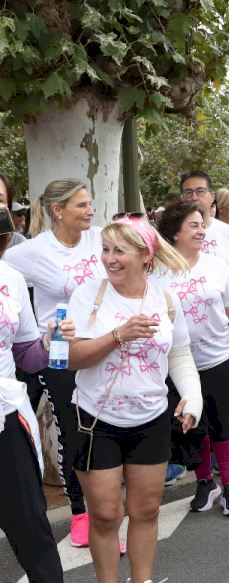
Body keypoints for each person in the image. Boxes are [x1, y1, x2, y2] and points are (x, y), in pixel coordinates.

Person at [67, 215, 202, 583]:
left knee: (145, 509)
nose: (109, 258)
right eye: (105, 249)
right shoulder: (88, 296)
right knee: (106, 514)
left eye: (119, 250)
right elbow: (70, 359)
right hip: (96, 420)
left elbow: (179, 354)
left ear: (145, 256)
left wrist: (192, 396)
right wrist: (118, 335)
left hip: (150, 418)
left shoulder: (166, 299)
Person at [0, 244, 91, 583]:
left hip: (5, 415)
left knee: (31, 524)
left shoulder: (10, 279)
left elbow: (26, 355)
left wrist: (48, 340)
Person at [6, 178, 100, 547]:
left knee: (102, 429)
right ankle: (80, 512)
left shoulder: (99, 238)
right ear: (58, 211)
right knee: (72, 429)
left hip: (101, 345)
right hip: (59, 350)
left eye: (90, 203)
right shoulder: (32, 251)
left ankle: (104, 511)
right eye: (81, 205)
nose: (90, 211)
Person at [155, 200, 229, 516]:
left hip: (218, 358)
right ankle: (205, 482)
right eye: (193, 225)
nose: (201, 231)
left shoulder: (216, 266)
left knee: (222, 423)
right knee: (192, 425)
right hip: (177, 364)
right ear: (174, 232)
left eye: (202, 225)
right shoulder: (157, 271)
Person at [180, 171, 229, 272]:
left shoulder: (228, 231)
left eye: (200, 191)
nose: (194, 197)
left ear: (212, 196)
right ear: (182, 198)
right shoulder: (173, 233)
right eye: (188, 192)